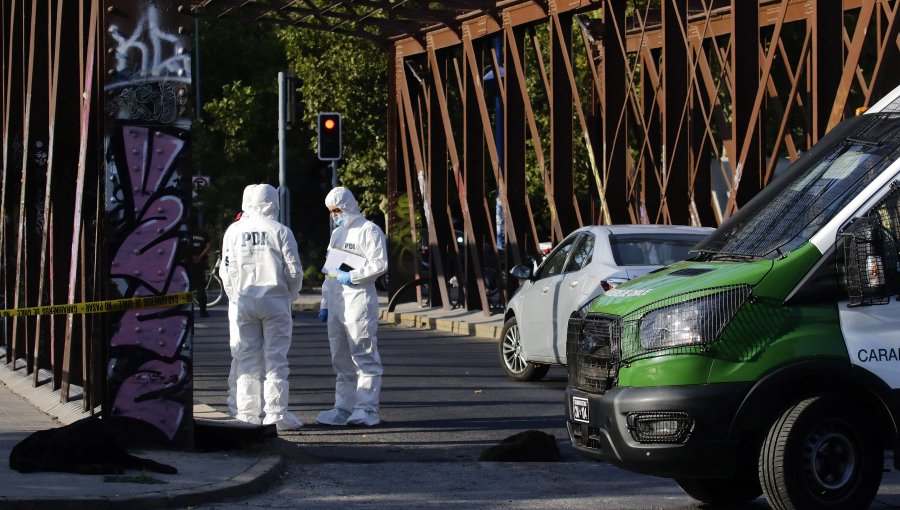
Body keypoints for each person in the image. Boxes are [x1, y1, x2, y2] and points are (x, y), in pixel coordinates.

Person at [220, 184, 304, 431]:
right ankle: (276, 414)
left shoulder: (234, 231)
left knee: (247, 358)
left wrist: (235, 295)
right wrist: (291, 294)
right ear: (273, 202)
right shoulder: (280, 231)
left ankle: (247, 413)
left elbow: (227, 269)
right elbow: (294, 270)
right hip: (275, 300)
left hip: (245, 300)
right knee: (275, 358)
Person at [317, 186, 388, 427]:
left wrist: (353, 276)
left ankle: (366, 409)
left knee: (364, 357)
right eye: (331, 211)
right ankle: (343, 407)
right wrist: (325, 303)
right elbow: (330, 272)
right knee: (341, 360)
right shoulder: (337, 235)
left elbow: (379, 264)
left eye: (336, 210)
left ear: (348, 206)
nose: (334, 215)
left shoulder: (369, 231)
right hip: (337, 303)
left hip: (358, 302)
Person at [189, 218, 211, 318]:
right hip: (200, 264)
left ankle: (187, 311)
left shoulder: (185, 233)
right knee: (201, 289)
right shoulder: (202, 233)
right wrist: (200, 256)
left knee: (186, 288)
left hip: (186, 264)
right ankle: (203, 311)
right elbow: (208, 245)